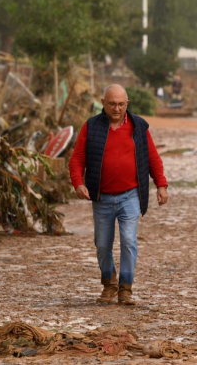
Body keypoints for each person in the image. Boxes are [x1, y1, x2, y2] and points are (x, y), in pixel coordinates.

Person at [69, 84, 169, 306]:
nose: (116, 108)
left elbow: (153, 158)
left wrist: (161, 185)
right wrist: (78, 183)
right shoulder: (91, 127)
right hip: (101, 197)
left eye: (121, 104)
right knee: (102, 244)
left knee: (128, 241)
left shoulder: (139, 126)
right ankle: (109, 284)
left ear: (127, 104)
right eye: (112, 104)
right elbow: (77, 159)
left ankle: (125, 289)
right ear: (103, 103)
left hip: (130, 195)